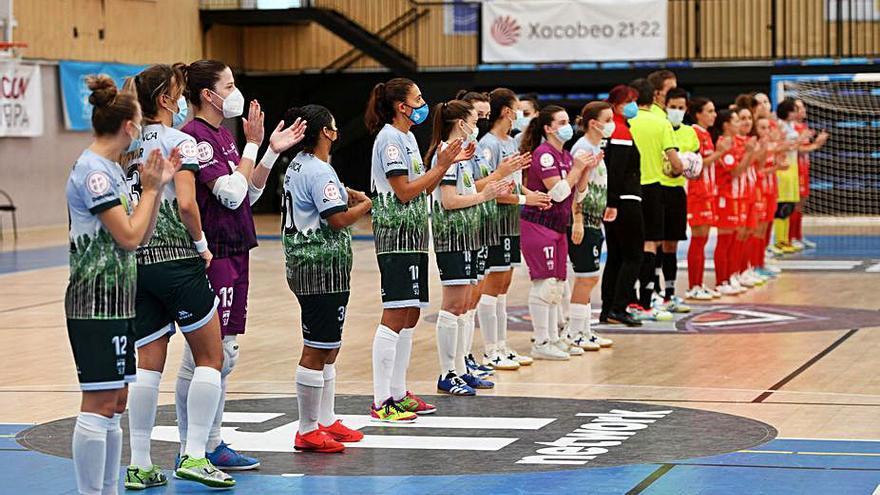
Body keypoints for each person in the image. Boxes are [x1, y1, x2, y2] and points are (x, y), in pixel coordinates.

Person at [177, 59, 306, 470]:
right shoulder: (196, 137)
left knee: (217, 354)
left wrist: (268, 151)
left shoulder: (222, 137)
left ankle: (202, 443)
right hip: (214, 252)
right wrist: (253, 145)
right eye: (229, 85)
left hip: (235, 249)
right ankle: (200, 445)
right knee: (214, 354)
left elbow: (247, 195)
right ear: (207, 95)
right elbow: (230, 195)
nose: (235, 92)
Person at [121, 64, 233, 490]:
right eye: (180, 92)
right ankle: (196, 455)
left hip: (138, 262)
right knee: (210, 358)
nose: (184, 97)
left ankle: (141, 464)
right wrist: (202, 245)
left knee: (147, 366)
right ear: (166, 100)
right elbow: (187, 204)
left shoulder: (127, 147)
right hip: (177, 261)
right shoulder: (180, 140)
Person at [66, 75, 177, 495]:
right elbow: (128, 236)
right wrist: (150, 189)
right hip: (94, 299)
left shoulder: (111, 169)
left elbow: (140, 236)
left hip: (118, 297)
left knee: (113, 405)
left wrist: (156, 187)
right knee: (97, 404)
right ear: (130, 127)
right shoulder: (93, 172)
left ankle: (108, 490)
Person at [365, 77, 472, 421]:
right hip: (395, 236)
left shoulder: (408, 137)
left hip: (413, 234)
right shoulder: (389, 139)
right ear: (401, 106)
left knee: (410, 314)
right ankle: (382, 401)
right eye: (418, 98)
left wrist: (445, 165)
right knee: (396, 313)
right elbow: (405, 191)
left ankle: (398, 392)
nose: (424, 104)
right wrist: (441, 166)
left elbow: (422, 189)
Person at [280, 104, 372, 452]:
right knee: (317, 347)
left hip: (322, 267)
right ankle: (306, 429)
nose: (337, 132)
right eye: (333, 127)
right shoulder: (318, 170)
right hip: (317, 266)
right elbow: (337, 219)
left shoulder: (301, 166)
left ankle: (326, 418)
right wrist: (367, 205)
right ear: (325, 132)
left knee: (329, 345)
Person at [425, 99, 508, 394]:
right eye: (474, 120)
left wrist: (490, 188)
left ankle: (460, 369)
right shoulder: (445, 154)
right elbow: (448, 201)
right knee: (453, 305)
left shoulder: (461, 155)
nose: (477, 125)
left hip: (468, 235)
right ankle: (447, 374)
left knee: (463, 306)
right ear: (460, 123)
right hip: (453, 236)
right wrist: (486, 196)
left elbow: (467, 190)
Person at [478, 88, 550, 367]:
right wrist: (525, 197)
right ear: (507, 112)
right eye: (517, 108)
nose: (520, 114)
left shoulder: (511, 142)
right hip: (494, 219)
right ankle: (490, 350)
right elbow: (490, 187)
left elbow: (515, 180)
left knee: (504, 284)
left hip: (510, 219)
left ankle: (502, 346)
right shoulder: (489, 144)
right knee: (493, 283)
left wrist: (529, 193)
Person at [519, 105, 596, 360]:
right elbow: (558, 193)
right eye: (561, 122)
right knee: (545, 285)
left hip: (557, 226)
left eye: (567, 121)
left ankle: (554, 338)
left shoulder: (563, 155)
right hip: (538, 224)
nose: (567, 126)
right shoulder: (545, 155)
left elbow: (576, 194)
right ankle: (541, 342)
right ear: (548, 128)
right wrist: (576, 170)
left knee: (559, 287)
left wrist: (585, 172)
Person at [627, 78, 683, 321]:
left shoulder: (625, 121)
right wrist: (679, 169)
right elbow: (676, 164)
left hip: (626, 189)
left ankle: (627, 300)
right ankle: (646, 302)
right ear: (655, 97)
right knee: (650, 244)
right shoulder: (661, 123)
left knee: (628, 247)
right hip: (652, 188)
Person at [565, 101, 615, 350]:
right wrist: (578, 219)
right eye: (608, 119)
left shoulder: (596, 146)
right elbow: (576, 187)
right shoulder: (582, 148)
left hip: (596, 220)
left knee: (590, 277)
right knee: (586, 277)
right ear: (594, 123)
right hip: (583, 221)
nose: (612, 124)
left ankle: (584, 330)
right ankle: (575, 333)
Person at [599, 85, 643, 327]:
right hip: (626, 201)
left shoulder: (610, 129)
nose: (633, 105)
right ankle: (619, 307)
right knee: (633, 256)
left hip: (615, 200)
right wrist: (613, 201)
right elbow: (615, 171)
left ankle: (608, 309)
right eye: (630, 101)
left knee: (616, 256)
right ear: (616, 104)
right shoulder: (621, 130)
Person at [685, 97, 731, 300]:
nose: (714, 115)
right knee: (698, 239)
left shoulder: (706, 135)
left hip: (707, 192)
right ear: (698, 114)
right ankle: (693, 285)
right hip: (697, 192)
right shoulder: (694, 133)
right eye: (710, 111)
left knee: (702, 240)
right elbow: (696, 164)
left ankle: (699, 283)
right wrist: (720, 153)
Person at [652, 87, 694, 313]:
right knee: (655, 242)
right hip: (658, 189)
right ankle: (654, 291)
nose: (676, 111)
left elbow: (694, 164)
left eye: (680, 108)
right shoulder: (659, 126)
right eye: (673, 107)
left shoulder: (690, 133)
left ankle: (670, 294)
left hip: (677, 191)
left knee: (671, 244)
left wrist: (687, 167)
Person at [710, 109, 758, 295]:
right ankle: (721, 280)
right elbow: (736, 171)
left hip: (738, 196)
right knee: (725, 240)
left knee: (733, 239)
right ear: (726, 125)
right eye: (736, 120)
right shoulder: (723, 144)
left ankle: (732, 275)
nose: (740, 124)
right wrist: (750, 153)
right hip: (726, 197)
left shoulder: (737, 143)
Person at [789, 99, 828, 250]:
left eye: (803, 106)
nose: (803, 109)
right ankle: (790, 238)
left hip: (804, 169)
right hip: (795, 169)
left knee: (801, 204)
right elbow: (798, 149)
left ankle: (797, 236)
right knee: (795, 205)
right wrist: (817, 144)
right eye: (798, 107)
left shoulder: (803, 127)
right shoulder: (793, 129)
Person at [771, 98, 804, 255]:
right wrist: (798, 141)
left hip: (792, 167)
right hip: (782, 168)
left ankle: (786, 239)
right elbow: (776, 147)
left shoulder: (791, 126)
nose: (795, 113)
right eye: (793, 110)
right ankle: (779, 240)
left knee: (790, 205)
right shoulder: (779, 126)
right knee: (782, 205)